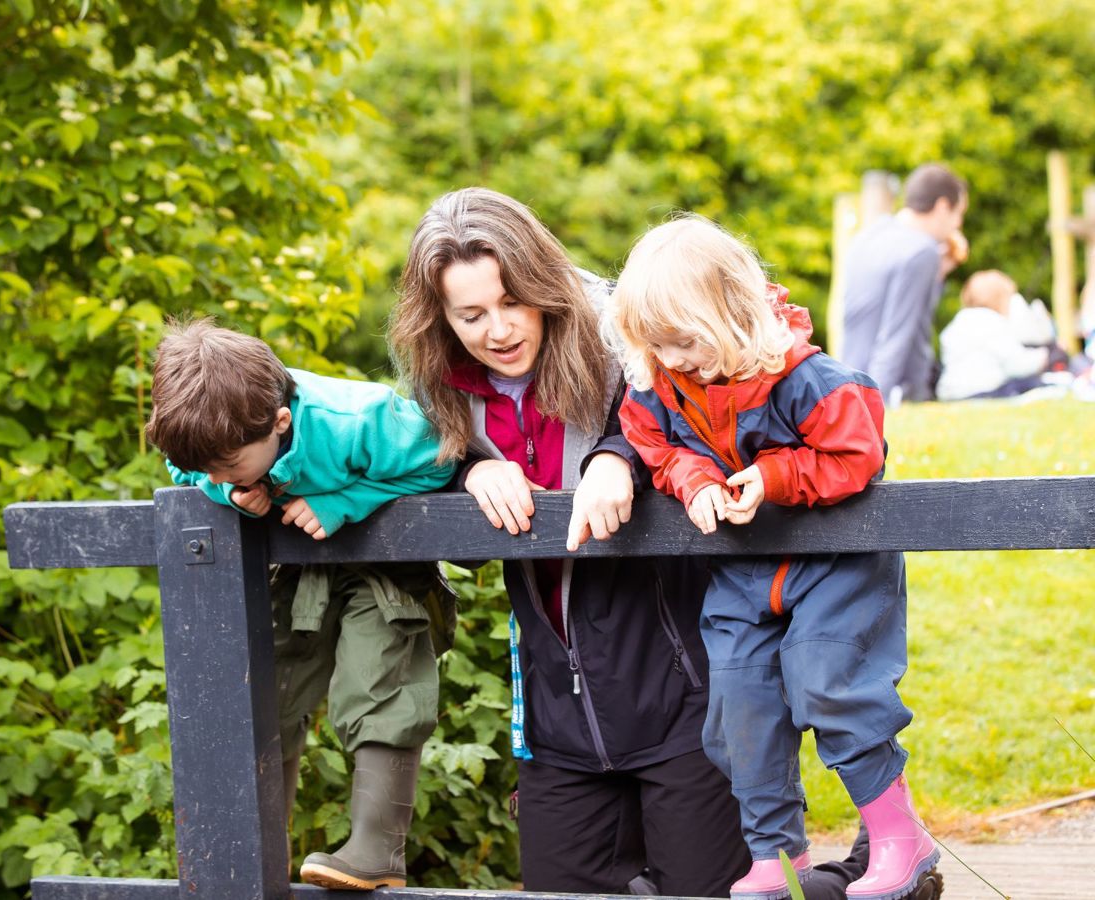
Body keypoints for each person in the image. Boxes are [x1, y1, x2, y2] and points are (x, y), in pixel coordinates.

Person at [389, 189, 938, 900]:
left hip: (680, 680)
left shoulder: (623, 331)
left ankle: (866, 869)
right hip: (560, 711)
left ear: (543, 287)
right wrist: (469, 467)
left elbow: (682, 414)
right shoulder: (441, 388)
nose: (497, 329)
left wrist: (616, 457)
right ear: (440, 320)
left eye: (513, 302)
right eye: (471, 316)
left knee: (733, 888)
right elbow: (405, 469)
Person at [611, 216, 939, 900]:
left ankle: (900, 839)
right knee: (738, 707)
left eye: (688, 340)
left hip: (832, 565)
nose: (676, 360)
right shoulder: (661, 386)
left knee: (831, 685)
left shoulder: (808, 379)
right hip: (743, 574)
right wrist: (694, 480)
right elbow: (652, 444)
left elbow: (859, 454)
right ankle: (775, 858)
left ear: (734, 311)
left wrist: (773, 478)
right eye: (660, 346)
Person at [145, 318, 456, 890]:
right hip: (301, 569)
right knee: (267, 684)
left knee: (376, 678)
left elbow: (442, 461)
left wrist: (344, 502)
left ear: (280, 422)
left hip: (383, 570)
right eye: (207, 466)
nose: (212, 474)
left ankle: (375, 849)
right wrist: (230, 490)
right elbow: (185, 468)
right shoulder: (213, 437)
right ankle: (260, 847)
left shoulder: (359, 421)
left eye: (228, 464)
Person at [841, 163, 968, 406]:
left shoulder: (868, 236)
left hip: (850, 377)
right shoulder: (922, 250)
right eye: (958, 213)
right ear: (942, 207)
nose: (958, 224)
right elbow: (898, 335)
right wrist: (875, 405)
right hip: (891, 392)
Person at [936, 270, 1053, 400]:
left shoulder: (958, 322)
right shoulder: (993, 322)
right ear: (1000, 299)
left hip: (950, 391)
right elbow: (1016, 364)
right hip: (981, 390)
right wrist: (1044, 356)